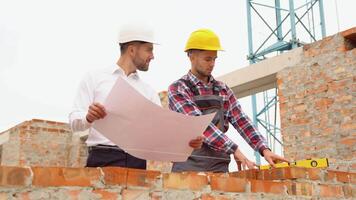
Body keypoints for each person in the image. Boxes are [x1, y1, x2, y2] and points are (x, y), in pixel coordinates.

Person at [69, 23, 203, 169]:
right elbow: (74, 122)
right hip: (102, 159)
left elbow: (160, 134)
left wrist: (186, 142)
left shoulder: (148, 91)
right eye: (149, 50)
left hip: (137, 163)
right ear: (132, 50)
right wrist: (89, 117)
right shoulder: (94, 78)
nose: (152, 56)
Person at [168, 29, 288, 172]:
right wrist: (234, 149)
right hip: (187, 168)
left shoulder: (222, 89)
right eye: (207, 59)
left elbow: (242, 121)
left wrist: (264, 149)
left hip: (218, 167)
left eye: (214, 59)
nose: (212, 64)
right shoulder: (178, 89)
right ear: (191, 56)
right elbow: (200, 125)